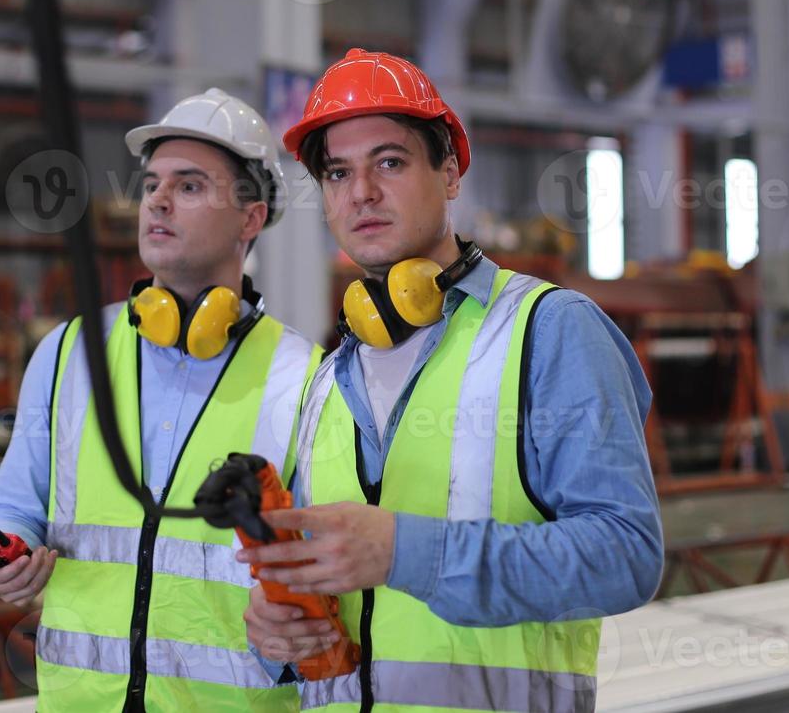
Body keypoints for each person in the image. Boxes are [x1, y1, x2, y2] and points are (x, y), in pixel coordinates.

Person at [238, 49, 663, 712]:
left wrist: (406, 552)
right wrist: (277, 631)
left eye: (390, 162)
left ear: (451, 171)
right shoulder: (329, 379)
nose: (362, 194)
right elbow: (336, 597)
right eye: (338, 173)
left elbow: (625, 557)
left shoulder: (547, 333)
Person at [0, 89, 322, 712]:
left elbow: (324, 566)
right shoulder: (70, 352)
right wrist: (9, 554)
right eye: (153, 183)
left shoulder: (303, 378)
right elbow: (14, 506)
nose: (157, 201)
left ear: (251, 218)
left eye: (189, 187)